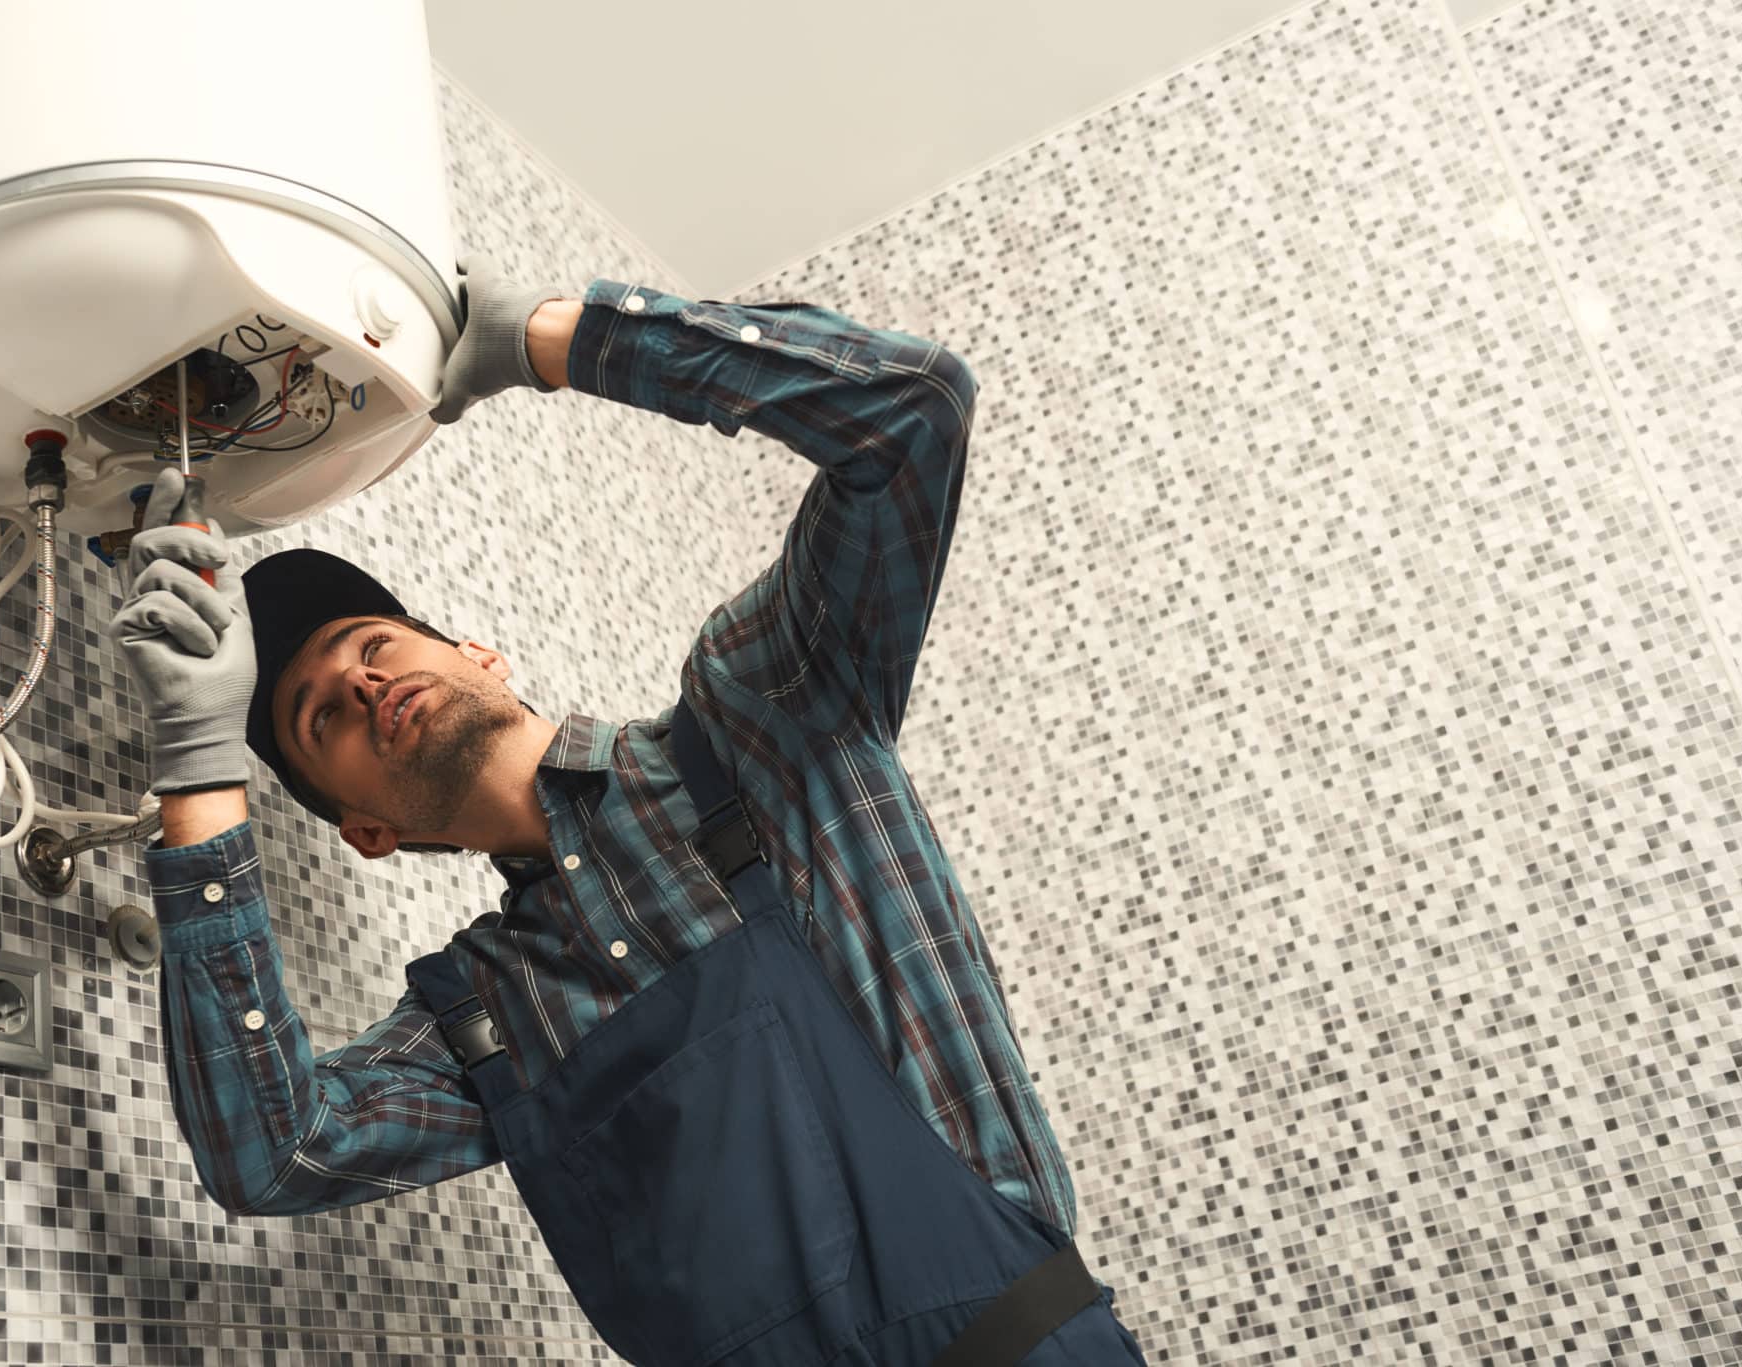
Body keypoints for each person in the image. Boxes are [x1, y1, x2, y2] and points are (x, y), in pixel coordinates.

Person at [110, 253, 1149, 1366]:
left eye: (373, 645)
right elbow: (272, 1148)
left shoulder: (762, 721)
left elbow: (911, 413)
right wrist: (197, 756)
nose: (363, 686)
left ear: (479, 655)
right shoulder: (485, 1013)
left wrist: (560, 340)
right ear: (369, 831)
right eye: (323, 719)